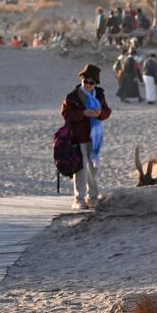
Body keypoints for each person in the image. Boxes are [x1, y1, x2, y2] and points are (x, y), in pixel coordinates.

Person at [61, 64, 111, 210]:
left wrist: (99, 114)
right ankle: (79, 199)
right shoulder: (72, 96)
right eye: (85, 82)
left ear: (95, 83)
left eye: (91, 82)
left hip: (94, 138)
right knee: (80, 169)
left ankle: (93, 197)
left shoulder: (100, 94)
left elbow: (107, 110)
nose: (88, 85)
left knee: (93, 168)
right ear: (81, 80)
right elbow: (66, 115)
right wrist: (83, 114)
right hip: (77, 137)